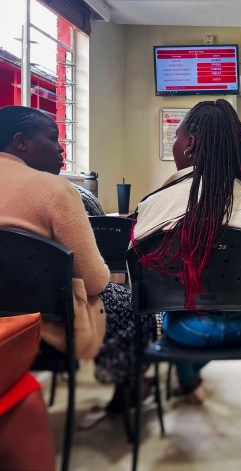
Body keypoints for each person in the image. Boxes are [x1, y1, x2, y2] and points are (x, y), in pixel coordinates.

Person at [132, 100, 241, 402]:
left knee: (175, 310)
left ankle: (186, 381)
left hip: (188, 331)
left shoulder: (154, 204)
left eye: (176, 138)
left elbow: (142, 275)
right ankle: (188, 381)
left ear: (190, 145)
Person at [0, 105, 154, 425]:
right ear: (21, 142)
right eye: (52, 138)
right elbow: (95, 281)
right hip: (44, 330)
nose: (61, 148)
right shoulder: (55, 189)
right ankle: (126, 386)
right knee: (132, 302)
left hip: (4, 328)